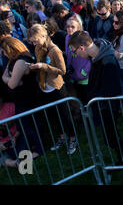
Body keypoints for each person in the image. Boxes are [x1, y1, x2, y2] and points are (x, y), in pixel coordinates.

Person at [68, 30, 123, 165]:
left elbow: (112, 89)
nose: (75, 54)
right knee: (111, 138)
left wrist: (95, 100)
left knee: (111, 139)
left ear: (82, 48)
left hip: (108, 106)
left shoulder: (108, 61)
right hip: (102, 105)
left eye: (75, 51)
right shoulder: (96, 55)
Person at [27, 24, 77, 155]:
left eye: (36, 40)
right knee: (53, 115)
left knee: (65, 115)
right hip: (44, 87)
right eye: (32, 41)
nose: (34, 43)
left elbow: (62, 70)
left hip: (57, 88)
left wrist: (43, 66)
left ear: (44, 36)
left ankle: (73, 138)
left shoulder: (55, 50)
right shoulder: (38, 48)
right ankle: (62, 137)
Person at [64, 15, 91, 103]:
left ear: (78, 27)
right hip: (73, 74)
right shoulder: (67, 37)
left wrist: (84, 72)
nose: (69, 29)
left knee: (86, 99)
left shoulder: (84, 36)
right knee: (77, 98)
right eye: (68, 26)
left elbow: (90, 56)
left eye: (72, 27)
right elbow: (68, 54)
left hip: (84, 76)